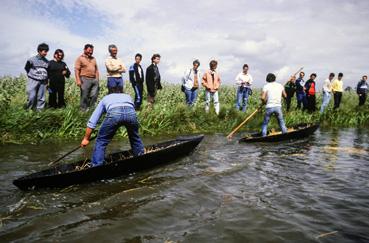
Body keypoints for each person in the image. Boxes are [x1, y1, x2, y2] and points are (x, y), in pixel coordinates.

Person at [80, 86, 145, 167]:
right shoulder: (127, 96)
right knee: (135, 138)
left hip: (114, 113)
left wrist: (86, 138)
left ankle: (97, 165)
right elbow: (128, 114)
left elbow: (93, 120)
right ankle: (141, 158)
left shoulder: (105, 98)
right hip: (131, 114)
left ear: (109, 92)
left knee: (101, 141)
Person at [24, 43, 49, 111]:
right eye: (44, 51)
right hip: (33, 80)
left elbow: (47, 72)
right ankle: (29, 110)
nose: (46, 53)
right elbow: (27, 68)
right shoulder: (31, 60)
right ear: (39, 51)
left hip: (43, 82)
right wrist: (32, 75)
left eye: (46, 51)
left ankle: (39, 111)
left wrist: (46, 82)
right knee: (31, 96)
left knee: (41, 97)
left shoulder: (47, 62)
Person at [75, 44, 99, 112]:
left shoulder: (93, 59)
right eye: (89, 50)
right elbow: (77, 70)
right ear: (85, 50)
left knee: (94, 96)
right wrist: (78, 80)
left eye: (92, 51)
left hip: (94, 79)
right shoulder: (80, 58)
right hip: (84, 79)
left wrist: (97, 79)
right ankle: (83, 110)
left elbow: (96, 70)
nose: (90, 52)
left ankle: (91, 110)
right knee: (84, 96)